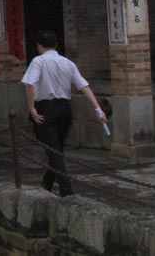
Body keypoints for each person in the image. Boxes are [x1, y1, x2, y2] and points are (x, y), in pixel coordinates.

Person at [20, 29, 107, 197]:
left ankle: (67, 191)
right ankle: (48, 180)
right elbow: (83, 86)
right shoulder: (67, 62)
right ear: (56, 45)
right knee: (57, 149)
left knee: (53, 150)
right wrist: (97, 107)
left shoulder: (38, 61)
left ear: (39, 46)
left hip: (46, 108)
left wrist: (31, 108)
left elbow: (29, 84)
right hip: (65, 109)